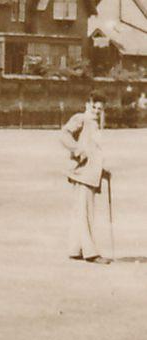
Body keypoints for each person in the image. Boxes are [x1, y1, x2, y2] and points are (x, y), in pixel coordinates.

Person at [59, 91, 111, 265]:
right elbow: (64, 134)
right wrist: (77, 151)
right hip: (83, 174)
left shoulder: (95, 124)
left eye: (100, 109)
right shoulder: (81, 118)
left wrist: (103, 170)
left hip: (91, 174)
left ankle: (75, 249)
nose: (96, 111)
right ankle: (91, 253)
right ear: (87, 105)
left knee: (80, 212)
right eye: (94, 107)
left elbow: (94, 150)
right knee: (85, 213)